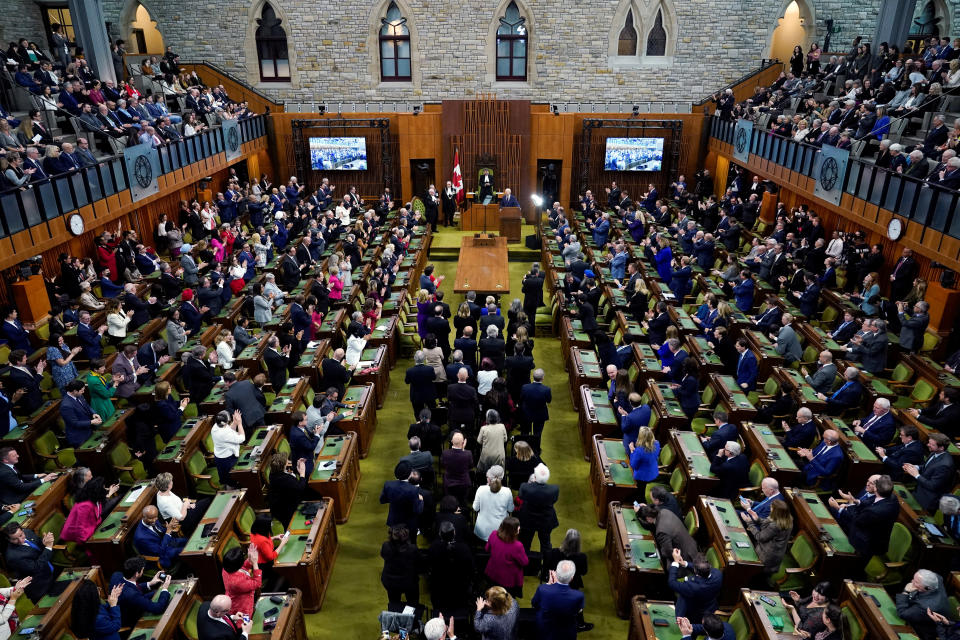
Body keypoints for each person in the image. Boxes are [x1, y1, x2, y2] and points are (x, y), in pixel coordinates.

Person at [108, 557, 172, 627]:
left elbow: (131, 586)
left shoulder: (117, 575)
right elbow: (158, 608)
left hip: (124, 604)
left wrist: (150, 583)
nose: (143, 571)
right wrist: (165, 588)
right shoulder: (132, 595)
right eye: (142, 570)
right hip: (130, 618)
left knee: (156, 592)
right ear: (136, 574)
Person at [532, 560, 586, 640]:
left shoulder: (542, 589)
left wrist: (548, 585)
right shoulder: (578, 596)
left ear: (556, 573)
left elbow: (534, 604)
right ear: (572, 578)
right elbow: (578, 611)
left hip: (545, 631)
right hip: (566, 633)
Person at [904, 433, 956, 512]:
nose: (928, 445)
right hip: (919, 491)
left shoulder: (945, 466)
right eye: (929, 442)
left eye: (931, 444)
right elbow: (927, 467)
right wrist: (915, 467)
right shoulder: (934, 452)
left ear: (941, 448)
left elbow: (932, 486)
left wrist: (916, 475)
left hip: (927, 499)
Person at [667, 551, 723, 623]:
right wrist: (685, 563)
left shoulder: (693, 587)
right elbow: (702, 568)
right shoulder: (718, 574)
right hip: (710, 606)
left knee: (683, 595)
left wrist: (675, 562)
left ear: (695, 571)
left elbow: (672, 583)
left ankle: (679, 620)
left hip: (696, 614)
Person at [896, 570, 951, 640]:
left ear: (928, 588)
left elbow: (902, 613)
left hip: (923, 630)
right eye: (913, 579)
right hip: (919, 609)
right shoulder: (936, 578)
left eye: (916, 582)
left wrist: (905, 592)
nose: (911, 582)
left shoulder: (925, 607)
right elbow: (937, 576)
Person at [517, 463, 559, 553]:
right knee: (546, 544)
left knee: (525, 543)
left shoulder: (525, 487)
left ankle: (524, 563)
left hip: (528, 520)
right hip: (546, 520)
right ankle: (546, 565)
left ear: (535, 477)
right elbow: (554, 500)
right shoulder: (554, 489)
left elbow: (520, 496)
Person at [744, 499, 793, 574]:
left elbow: (759, 537)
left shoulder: (776, 526)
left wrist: (749, 523)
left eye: (771, 508)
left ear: (776, 512)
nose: (770, 509)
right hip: (776, 552)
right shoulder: (787, 518)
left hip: (767, 555)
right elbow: (768, 523)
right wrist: (757, 519)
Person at [484, 516, 527, 598]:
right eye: (517, 527)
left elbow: (487, 549)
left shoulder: (493, 534)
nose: (519, 528)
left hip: (492, 573)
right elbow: (524, 562)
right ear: (513, 531)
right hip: (508, 580)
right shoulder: (517, 546)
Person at [60, 476, 112, 543]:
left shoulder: (95, 498)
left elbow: (98, 514)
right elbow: (79, 527)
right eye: (104, 487)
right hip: (76, 535)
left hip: (92, 528)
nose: (105, 489)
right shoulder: (85, 505)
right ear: (97, 490)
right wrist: (87, 542)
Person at [380, 461, 424, 538]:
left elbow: (382, 500)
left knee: (393, 541)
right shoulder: (413, 490)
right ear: (409, 475)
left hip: (394, 520)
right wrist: (421, 500)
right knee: (411, 543)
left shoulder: (388, 484)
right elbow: (418, 510)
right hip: (408, 523)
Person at [380, 524, 420, 604]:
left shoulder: (386, 546)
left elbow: (383, 555)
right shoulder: (412, 549)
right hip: (408, 583)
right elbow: (419, 564)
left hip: (390, 582)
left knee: (394, 604)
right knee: (413, 603)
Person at [473, 465, 514, 542]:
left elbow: (475, 508)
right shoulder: (507, 491)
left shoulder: (481, 489)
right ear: (502, 477)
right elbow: (511, 509)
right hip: (501, 531)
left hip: (482, 531)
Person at [267, 452, 307, 527]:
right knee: (289, 527)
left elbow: (289, 474)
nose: (288, 462)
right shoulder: (285, 479)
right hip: (285, 510)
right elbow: (300, 488)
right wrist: (302, 473)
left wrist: (297, 465)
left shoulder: (273, 473)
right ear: (283, 466)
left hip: (281, 503)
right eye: (287, 462)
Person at [221, 545, 261, 616]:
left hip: (235, 596)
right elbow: (257, 583)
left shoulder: (227, 566)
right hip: (241, 606)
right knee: (244, 623)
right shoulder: (237, 582)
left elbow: (243, 567)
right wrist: (255, 563)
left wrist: (249, 559)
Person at [211, 410, 245, 485]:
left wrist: (235, 423)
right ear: (225, 423)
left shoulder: (216, 425)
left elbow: (229, 430)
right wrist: (239, 424)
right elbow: (242, 438)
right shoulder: (223, 433)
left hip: (220, 458)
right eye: (228, 420)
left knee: (227, 479)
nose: (229, 421)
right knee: (231, 481)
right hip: (227, 460)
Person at [628, 427, 661, 501]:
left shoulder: (639, 451)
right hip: (653, 472)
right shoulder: (657, 443)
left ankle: (638, 503)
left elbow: (633, 465)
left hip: (642, 477)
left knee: (640, 493)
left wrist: (632, 450)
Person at [477, 410, 508, 475]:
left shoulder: (483, 428)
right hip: (499, 455)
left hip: (486, 456)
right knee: (498, 474)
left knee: (485, 474)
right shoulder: (502, 426)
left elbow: (479, 441)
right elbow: (505, 439)